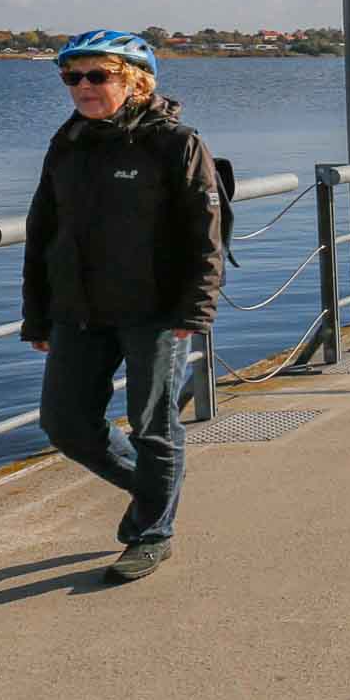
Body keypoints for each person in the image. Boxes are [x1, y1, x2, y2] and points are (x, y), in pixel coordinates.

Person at [21, 30, 222, 582]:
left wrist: (195, 310)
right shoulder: (68, 143)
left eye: (96, 75)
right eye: (72, 77)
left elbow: (206, 238)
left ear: (134, 82)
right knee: (65, 424)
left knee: (152, 425)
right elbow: (42, 233)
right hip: (77, 310)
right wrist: (36, 314)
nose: (82, 87)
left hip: (154, 310)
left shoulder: (175, 144)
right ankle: (154, 489)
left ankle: (152, 532)